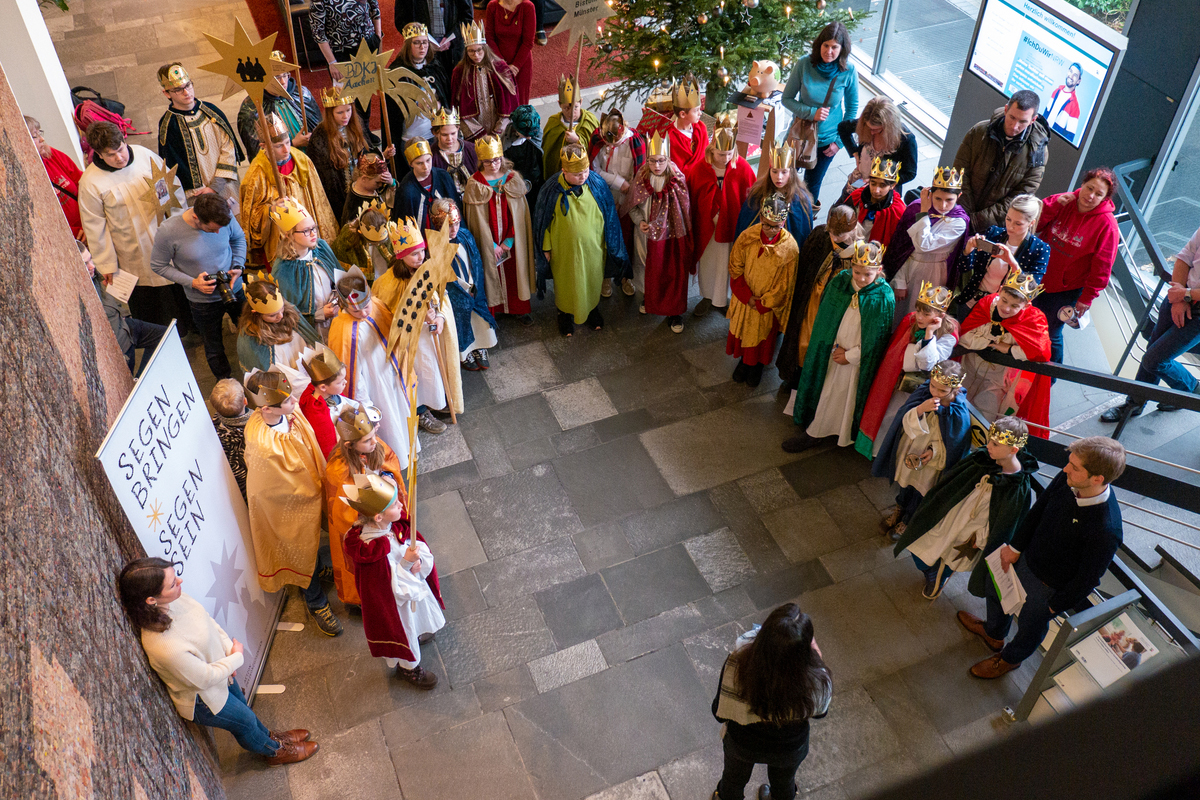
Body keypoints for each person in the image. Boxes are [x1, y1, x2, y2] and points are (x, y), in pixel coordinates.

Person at [118, 557, 319, 765]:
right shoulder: (163, 645)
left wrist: (227, 653)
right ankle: (275, 752)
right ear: (151, 600)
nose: (180, 582)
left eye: (175, 576)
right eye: (172, 583)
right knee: (245, 723)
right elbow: (204, 679)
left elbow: (207, 621)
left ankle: (271, 737)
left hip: (220, 671)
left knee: (246, 710)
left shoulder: (174, 599)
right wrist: (235, 658)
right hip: (204, 699)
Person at [962, 437, 1125, 678]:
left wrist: (1053, 606)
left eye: (1075, 467)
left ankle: (1009, 660)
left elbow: (1088, 579)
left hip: (1047, 589)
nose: (1066, 469)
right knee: (994, 590)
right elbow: (1039, 509)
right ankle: (993, 634)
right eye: (1069, 462)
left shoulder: (1106, 529)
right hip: (1026, 558)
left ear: (1097, 479)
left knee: (1030, 628)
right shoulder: (1068, 479)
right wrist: (1016, 548)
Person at [241, 365, 342, 637]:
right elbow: (269, 487)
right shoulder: (265, 444)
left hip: (310, 487)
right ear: (267, 409)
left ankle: (319, 568)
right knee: (299, 546)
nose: (295, 401)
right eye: (286, 400)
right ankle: (316, 601)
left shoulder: (289, 412)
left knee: (312, 543)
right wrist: (306, 494)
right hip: (286, 508)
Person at [894, 416, 1038, 600]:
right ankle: (931, 572)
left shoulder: (1017, 487)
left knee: (950, 558)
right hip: (952, 514)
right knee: (923, 547)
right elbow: (956, 480)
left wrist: (982, 538)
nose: (988, 447)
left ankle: (939, 578)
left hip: (970, 531)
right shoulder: (984, 458)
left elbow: (1006, 521)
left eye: (995, 444)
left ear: (1013, 449)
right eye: (990, 441)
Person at [710, 603, 832, 800]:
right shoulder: (817, 680)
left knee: (733, 780)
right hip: (789, 747)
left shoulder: (737, 665)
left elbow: (719, 711)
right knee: (784, 783)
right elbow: (820, 712)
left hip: (743, 742)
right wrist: (818, 662)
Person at [78, 121, 191, 331]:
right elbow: (95, 227)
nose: (119, 158)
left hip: (164, 236)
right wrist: (107, 266)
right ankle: (162, 337)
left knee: (178, 288)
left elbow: (171, 187)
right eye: (110, 155)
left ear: (124, 139)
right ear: (99, 154)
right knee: (151, 303)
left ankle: (190, 327)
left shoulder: (143, 155)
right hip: (132, 251)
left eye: (120, 150)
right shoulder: (91, 182)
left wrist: (184, 225)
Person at [783, 240, 895, 453]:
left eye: (868, 274)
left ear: (878, 270)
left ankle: (830, 433)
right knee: (824, 389)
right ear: (851, 267)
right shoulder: (840, 283)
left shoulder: (883, 296)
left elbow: (877, 339)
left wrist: (851, 356)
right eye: (857, 272)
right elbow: (826, 320)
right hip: (830, 352)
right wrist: (831, 347)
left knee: (844, 395)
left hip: (854, 361)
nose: (861, 279)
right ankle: (816, 428)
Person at [342, 472, 446, 687]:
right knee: (404, 630)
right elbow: (387, 588)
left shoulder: (391, 528)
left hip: (410, 588)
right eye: (394, 504)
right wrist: (407, 564)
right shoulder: (372, 549)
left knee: (414, 622)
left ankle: (414, 640)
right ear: (378, 517)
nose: (401, 505)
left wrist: (418, 562)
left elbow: (408, 544)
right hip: (397, 606)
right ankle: (409, 669)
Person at [1104, 221, 1200, 421]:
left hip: (1193, 306)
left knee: (1154, 359)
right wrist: (1179, 297)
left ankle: (1190, 388)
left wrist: (1186, 295)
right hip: (1178, 295)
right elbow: (1184, 259)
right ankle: (1134, 404)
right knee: (1153, 349)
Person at [373, 220, 461, 430]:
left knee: (433, 372)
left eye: (422, 251)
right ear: (400, 256)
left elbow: (443, 298)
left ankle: (439, 401)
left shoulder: (429, 269)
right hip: (409, 343)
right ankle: (421, 411)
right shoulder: (387, 283)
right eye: (414, 254)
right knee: (417, 375)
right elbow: (385, 319)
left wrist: (439, 317)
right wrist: (416, 317)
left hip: (430, 337)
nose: (421, 257)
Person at [533, 144, 629, 336]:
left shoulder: (597, 183)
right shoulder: (551, 189)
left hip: (594, 247)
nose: (583, 177)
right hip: (564, 251)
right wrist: (545, 247)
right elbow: (543, 223)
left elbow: (608, 214)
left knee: (593, 279)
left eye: (585, 171)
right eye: (577, 174)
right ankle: (564, 313)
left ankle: (592, 309)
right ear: (564, 170)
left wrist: (609, 241)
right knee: (566, 283)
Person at [328, 266, 420, 466]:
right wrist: (364, 403)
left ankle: (410, 448)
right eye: (355, 309)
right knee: (387, 420)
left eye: (365, 306)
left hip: (391, 371)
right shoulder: (341, 328)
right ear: (345, 306)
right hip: (372, 384)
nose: (362, 312)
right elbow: (351, 374)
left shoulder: (376, 304)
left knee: (401, 411)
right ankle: (394, 457)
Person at [855, 282, 958, 458]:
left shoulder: (948, 334)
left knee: (902, 417)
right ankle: (876, 450)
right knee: (887, 414)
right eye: (918, 311)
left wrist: (929, 334)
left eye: (926, 314)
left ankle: (890, 454)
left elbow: (928, 364)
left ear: (940, 315)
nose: (919, 317)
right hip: (894, 379)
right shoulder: (909, 320)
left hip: (917, 387)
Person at [872, 361, 972, 542]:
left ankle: (909, 520)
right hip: (911, 449)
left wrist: (934, 452)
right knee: (905, 484)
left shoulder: (957, 411)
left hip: (931, 462)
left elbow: (955, 444)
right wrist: (920, 409)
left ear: (955, 389)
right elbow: (904, 419)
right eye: (933, 386)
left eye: (942, 391)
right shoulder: (924, 393)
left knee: (921, 489)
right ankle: (899, 509)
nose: (935, 392)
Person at [150, 194, 246, 380]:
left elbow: (238, 238)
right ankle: (226, 386)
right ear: (196, 217)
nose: (219, 233)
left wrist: (238, 266)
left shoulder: (223, 215)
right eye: (212, 230)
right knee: (213, 346)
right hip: (203, 302)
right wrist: (192, 282)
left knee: (251, 333)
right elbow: (158, 265)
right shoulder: (169, 231)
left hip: (235, 289)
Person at [323, 402, 407, 608]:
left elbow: (390, 464)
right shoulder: (338, 470)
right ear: (350, 445)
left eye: (373, 436)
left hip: (385, 514)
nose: (374, 442)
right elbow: (344, 512)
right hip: (369, 526)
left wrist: (387, 479)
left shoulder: (375, 446)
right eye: (367, 440)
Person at [1034, 167, 1120, 364]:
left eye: (1099, 194)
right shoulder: (1062, 201)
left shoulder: (1107, 225)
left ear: (1106, 198)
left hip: (1066, 289)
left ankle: (1050, 376)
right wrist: (1053, 205)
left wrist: (1086, 298)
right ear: (1082, 184)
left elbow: (1102, 267)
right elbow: (1034, 225)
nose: (1090, 196)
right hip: (1037, 275)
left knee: (1051, 331)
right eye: (1089, 188)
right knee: (1026, 319)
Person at [775, 205, 861, 389]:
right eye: (832, 233)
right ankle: (793, 375)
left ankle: (811, 382)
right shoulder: (820, 236)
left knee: (820, 345)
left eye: (840, 235)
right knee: (800, 339)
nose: (835, 238)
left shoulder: (858, 252)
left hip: (831, 309)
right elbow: (804, 264)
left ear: (853, 230)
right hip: (810, 298)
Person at [238, 113, 339, 268]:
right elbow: (251, 217)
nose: (286, 149)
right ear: (263, 146)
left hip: (307, 232)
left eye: (287, 142)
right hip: (280, 239)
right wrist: (271, 209)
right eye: (279, 146)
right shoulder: (256, 174)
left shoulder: (301, 161)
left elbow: (318, 200)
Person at [959, 271, 1053, 436]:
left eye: (1015, 306)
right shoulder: (986, 304)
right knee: (956, 411)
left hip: (996, 382)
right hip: (967, 370)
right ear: (1000, 290)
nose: (1006, 308)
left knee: (983, 423)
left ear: (1026, 304)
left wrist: (1008, 349)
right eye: (1004, 300)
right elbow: (965, 336)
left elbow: (1040, 351)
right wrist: (991, 344)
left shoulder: (1033, 319)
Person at [725, 194, 800, 388]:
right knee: (744, 334)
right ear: (760, 218)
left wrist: (762, 302)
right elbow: (735, 266)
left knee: (762, 339)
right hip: (746, 298)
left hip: (766, 305)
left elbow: (786, 284)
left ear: (783, 221)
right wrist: (747, 296)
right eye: (766, 224)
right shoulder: (747, 237)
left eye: (776, 226)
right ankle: (744, 361)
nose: (770, 230)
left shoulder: (790, 249)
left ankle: (757, 366)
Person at [781, 21, 859, 207]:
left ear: (842, 49)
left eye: (834, 47)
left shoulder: (848, 71)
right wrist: (811, 113)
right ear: (819, 44)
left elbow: (852, 109)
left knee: (811, 187)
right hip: (799, 135)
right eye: (825, 45)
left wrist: (839, 143)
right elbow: (787, 99)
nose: (829, 52)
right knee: (782, 176)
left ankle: (804, 225)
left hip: (827, 142)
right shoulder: (804, 64)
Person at [622, 132, 693, 334]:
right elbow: (632, 206)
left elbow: (683, 209)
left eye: (661, 161)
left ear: (668, 159)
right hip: (645, 235)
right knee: (646, 266)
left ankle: (674, 311)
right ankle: (649, 298)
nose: (657, 166)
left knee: (671, 270)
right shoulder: (642, 177)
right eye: (652, 161)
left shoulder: (677, 179)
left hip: (670, 237)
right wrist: (640, 221)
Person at [463, 134, 536, 324]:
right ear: (481, 161)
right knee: (490, 274)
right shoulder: (475, 183)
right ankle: (494, 311)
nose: (493, 165)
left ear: (501, 157)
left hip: (511, 242)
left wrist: (508, 242)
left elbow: (520, 218)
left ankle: (518, 309)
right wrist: (493, 245)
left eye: (496, 160)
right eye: (487, 162)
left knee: (514, 274)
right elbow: (477, 222)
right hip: (490, 244)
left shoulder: (513, 178)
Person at [952, 91, 1049, 232]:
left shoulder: (1037, 152)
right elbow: (960, 172)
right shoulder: (980, 131)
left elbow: (1020, 197)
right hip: (959, 213)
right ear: (1005, 109)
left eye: (1023, 122)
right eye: (1012, 117)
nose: (1015, 126)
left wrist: (976, 221)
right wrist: (964, 214)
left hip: (990, 228)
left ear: (1033, 120)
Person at [883, 168, 970, 321]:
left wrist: (924, 212)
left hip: (932, 271)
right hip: (906, 267)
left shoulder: (958, 222)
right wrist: (900, 280)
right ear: (930, 194)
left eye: (949, 200)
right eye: (938, 199)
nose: (943, 205)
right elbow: (901, 247)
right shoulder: (914, 208)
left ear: (959, 197)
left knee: (919, 314)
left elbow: (924, 245)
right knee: (895, 314)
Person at [689, 123, 755, 318]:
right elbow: (693, 197)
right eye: (720, 154)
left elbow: (749, 196)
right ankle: (707, 297)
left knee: (728, 264)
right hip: (706, 228)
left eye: (728, 154)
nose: (725, 159)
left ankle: (721, 299)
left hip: (730, 227)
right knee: (708, 263)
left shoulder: (741, 166)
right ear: (712, 150)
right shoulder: (700, 168)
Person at [156, 62, 243, 206]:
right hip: (199, 197)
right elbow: (174, 166)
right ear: (166, 93)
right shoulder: (168, 125)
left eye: (188, 85)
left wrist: (215, 186)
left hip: (227, 186)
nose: (186, 92)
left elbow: (229, 148)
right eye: (178, 89)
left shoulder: (212, 111)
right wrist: (203, 192)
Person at [430, 198, 498, 370]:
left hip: (473, 286)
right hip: (456, 292)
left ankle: (480, 346)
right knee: (461, 321)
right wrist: (460, 289)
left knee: (479, 319)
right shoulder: (435, 245)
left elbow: (475, 260)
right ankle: (465, 352)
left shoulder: (465, 235)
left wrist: (475, 283)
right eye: (449, 226)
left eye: (456, 224)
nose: (454, 230)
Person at [954, 193, 1049, 314]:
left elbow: (1030, 291)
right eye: (1008, 219)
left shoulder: (1039, 249)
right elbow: (964, 268)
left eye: (1018, 223)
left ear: (1031, 223)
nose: (1010, 226)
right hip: (971, 302)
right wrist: (968, 250)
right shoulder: (994, 233)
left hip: (1001, 312)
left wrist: (1012, 262)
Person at [81, 240, 165, 376]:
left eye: (91, 260)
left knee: (164, 337)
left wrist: (123, 313)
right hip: (118, 345)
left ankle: (141, 379)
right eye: (85, 264)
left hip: (124, 325)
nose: (92, 266)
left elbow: (109, 300)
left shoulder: (93, 275)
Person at [308, 85, 387, 223]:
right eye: (340, 112)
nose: (346, 116)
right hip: (338, 195)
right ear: (330, 113)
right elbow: (324, 177)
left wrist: (383, 155)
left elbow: (367, 152)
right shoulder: (319, 137)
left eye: (348, 110)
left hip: (362, 187)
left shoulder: (356, 125)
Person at [589, 108, 645, 298]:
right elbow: (594, 169)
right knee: (605, 239)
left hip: (627, 199)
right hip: (604, 195)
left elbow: (638, 173)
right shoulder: (598, 139)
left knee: (626, 240)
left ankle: (624, 277)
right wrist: (617, 182)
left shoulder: (633, 141)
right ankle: (606, 276)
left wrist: (624, 200)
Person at [269, 197, 344, 340]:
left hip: (338, 317)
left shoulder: (321, 248)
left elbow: (340, 276)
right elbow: (288, 312)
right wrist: (320, 314)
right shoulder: (283, 269)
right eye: (306, 231)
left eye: (314, 228)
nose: (313, 234)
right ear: (289, 235)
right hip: (315, 330)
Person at [384, 22, 451, 163]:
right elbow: (392, 110)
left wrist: (439, 105)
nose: (422, 47)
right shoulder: (397, 71)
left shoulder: (434, 66)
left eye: (425, 42)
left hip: (435, 134)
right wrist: (414, 104)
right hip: (411, 137)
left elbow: (445, 95)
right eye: (417, 43)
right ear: (408, 45)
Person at [238, 56, 323, 159]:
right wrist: (293, 143)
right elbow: (257, 152)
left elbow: (321, 129)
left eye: (285, 75)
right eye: (277, 77)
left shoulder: (302, 94)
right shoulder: (251, 108)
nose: (283, 81)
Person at [836, 96, 917, 199]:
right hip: (860, 179)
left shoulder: (905, 139)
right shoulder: (866, 123)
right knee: (845, 205)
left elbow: (910, 173)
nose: (871, 132)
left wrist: (880, 181)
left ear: (889, 127)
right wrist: (855, 153)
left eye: (877, 129)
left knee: (870, 214)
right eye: (869, 128)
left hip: (882, 190)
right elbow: (843, 127)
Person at [734, 143, 813, 248]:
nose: (779, 177)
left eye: (784, 172)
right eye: (774, 172)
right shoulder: (757, 193)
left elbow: (803, 235)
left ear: (791, 173)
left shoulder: (801, 201)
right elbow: (744, 227)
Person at [450, 21, 518, 140]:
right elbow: (457, 105)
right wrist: (481, 136)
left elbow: (509, 101)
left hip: (496, 118)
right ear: (466, 52)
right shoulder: (459, 72)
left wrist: (497, 131)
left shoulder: (500, 67)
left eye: (479, 50)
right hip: (474, 125)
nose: (476, 55)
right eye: (471, 51)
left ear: (485, 48)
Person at [236, 275, 319, 372]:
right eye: (272, 315)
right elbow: (264, 374)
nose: (281, 316)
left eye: (282, 309)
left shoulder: (289, 312)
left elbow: (309, 337)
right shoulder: (251, 338)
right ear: (256, 314)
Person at [26, 115, 84, 240]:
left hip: (88, 223)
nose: (42, 139)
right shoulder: (22, 180)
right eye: (35, 136)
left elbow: (83, 183)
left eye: (39, 133)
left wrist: (91, 221)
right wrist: (72, 234)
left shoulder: (52, 155)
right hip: (67, 239)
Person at [298, 343, 352, 457]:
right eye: (340, 382)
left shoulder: (333, 392)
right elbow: (327, 444)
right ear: (323, 387)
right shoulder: (315, 411)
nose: (345, 382)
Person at [394, 0, 474, 77]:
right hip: (421, 53)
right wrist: (422, 39)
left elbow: (467, 17)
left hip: (453, 52)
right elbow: (401, 20)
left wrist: (451, 40)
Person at [311, 0, 383, 83]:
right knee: (347, 93)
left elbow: (375, 9)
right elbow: (318, 34)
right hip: (341, 53)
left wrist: (378, 38)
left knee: (368, 88)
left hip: (368, 45)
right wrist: (332, 62)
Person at [395, 139, 460, 229]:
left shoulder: (443, 176)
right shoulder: (406, 190)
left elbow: (457, 209)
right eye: (419, 163)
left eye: (428, 160)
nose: (425, 167)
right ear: (411, 164)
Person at [543, 75, 600, 179]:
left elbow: (597, 148)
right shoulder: (553, 123)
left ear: (581, 102)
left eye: (575, 107)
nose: (571, 112)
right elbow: (548, 153)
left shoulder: (590, 121)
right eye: (566, 108)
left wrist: (577, 140)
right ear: (559, 104)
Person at [842, 157, 904, 246]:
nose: (876, 190)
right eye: (873, 183)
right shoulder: (857, 196)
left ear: (892, 185)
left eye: (882, 185)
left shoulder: (897, 210)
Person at [485, 0, 535, 104]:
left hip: (521, 64)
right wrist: (502, 65)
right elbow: (489, 38)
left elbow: (528, 42)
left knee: (520, 103)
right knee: (500, 102)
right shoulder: (492, 6)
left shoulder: (527, 7)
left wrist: (515, 66)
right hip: (498, 63)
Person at [331, 202, 393, 281]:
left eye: (379, 242)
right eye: (374, 243)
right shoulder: (348, 238)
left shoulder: (389, 229)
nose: (377, 244)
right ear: (360, 232)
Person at [210, 378, 251, 498]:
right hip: (248, 485)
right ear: (245, 401)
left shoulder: (215, 420)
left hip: (231, 487)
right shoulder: (254, 428)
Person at [428, 106, 479, 195]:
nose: (449, 138)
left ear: (458, 128)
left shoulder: (472, 149)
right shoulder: (431, 156)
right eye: (444, 135)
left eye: (453, 133)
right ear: (435, 133)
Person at [666, 75, 710, 177]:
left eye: (700, 109)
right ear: (682, 114)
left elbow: (707, 157)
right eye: (696, 111)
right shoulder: (670, 137)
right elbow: (676, 170)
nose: (700, 113)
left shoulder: (701, 127)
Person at [341, 152, 395, 225]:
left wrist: (392, 183)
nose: (380, 185)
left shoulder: (370, 187)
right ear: (364, 179)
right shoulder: (355, 205)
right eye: (377, 182)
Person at [506, 105, 544, 202]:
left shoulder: (536, 133)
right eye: (526, 135)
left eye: (532, 135)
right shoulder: (506, 140)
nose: (530, 138)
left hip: (534, 178)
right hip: (516, 179)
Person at [1044, 63, 1083, 142]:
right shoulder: (1056, 91)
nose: (1071, 76)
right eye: (1070, 71)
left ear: (1079, 81)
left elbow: (1069, 136)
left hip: (1052, 143)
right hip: (1041, 136)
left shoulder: (1075, 106)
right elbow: (1045, 114)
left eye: (1075, 75)